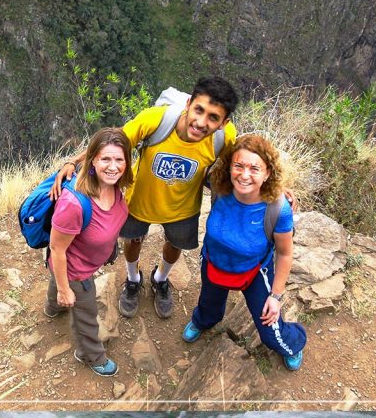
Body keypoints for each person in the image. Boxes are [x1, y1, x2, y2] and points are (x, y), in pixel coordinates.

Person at [51, 77, 239, 319]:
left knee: (175, 245)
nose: (201, 122)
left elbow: (245, 162)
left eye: (213, 117)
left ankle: (160, 279)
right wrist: (73, 162)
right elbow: (113, 141)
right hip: (140, 200)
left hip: (183, 207)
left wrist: (276, 188)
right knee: (133, 240)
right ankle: (133, 279)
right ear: (189, 103)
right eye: (199, 110)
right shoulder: (156, 120)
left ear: (224, 123)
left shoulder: (224, 138)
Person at [181, 134, 306, 370]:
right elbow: (191, 156)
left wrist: (276, 296)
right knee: (208, 307)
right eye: (238, 165)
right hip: (214, 262)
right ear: (229, 167)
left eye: (254, 168)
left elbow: (285, 253)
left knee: (271, 334)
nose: (244, 174)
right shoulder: (220, 186)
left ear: (267, 173)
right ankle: (203, 321)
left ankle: (293, 343)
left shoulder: (277, 209)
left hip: (255, 271)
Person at [45, 127, 132, 377]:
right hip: (77, 271)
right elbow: (57, 249)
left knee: (57, 280)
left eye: (119, 159)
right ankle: (90, 354)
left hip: (81, 260)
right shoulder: (74, 204)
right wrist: (65, 288)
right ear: (93, 159)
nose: (113, 166)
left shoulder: (114, 187)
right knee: (87, 315)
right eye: (106, 159)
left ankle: (53, 308)